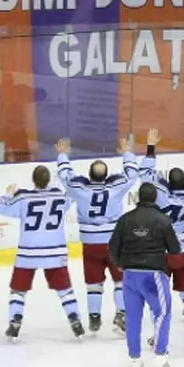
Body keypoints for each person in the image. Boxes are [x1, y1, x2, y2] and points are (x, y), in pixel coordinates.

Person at [56, 135, 144, 336]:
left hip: (90, 243)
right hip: (114, 242)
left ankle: (94, 316)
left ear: (89, 175)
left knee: (93, 281)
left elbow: (65, 177)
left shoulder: (81, 190)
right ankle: (121, 312)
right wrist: (127, 153)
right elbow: (132, 174)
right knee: (121, 280)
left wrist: (63, 155)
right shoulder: (115, 188)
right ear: (106, 176)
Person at [0, 165, 84, 340]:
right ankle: (75, 319)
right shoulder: (61, 196)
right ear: (48, 180)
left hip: (28, 253)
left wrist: (8, 193)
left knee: (18, 291)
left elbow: (1, 207)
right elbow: (73, 191)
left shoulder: (22, 197)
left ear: (33, 180)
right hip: (55, 251)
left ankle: (15, 321)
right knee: (65, 290)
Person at [144, 128, 184, 346]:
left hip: (163, 254)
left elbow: (146, 175)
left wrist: (151, 147)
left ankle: (158, 334)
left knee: (158, 298)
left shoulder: (161, 195)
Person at [110, 180, 182, 367]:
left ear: (139, 198)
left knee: (132, 317)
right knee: (163, 312)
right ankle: (160, 353)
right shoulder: (163, 220)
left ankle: (134, 358)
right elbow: (175, 249)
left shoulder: (125, 219)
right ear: (155, 197)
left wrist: (119, 263)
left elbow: (113, 246)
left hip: (130, 275)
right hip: (153, 276)